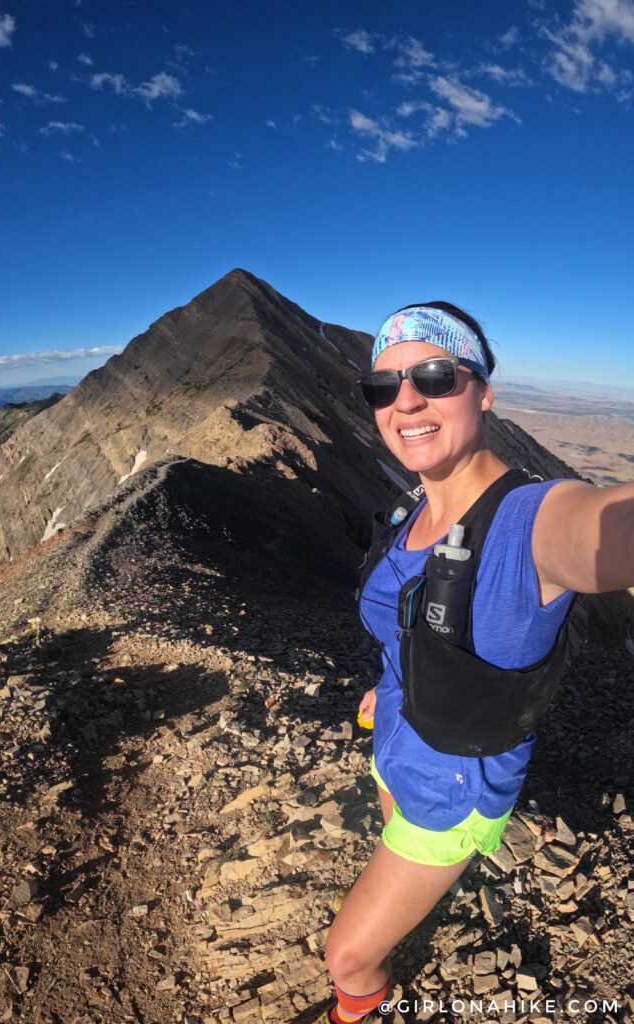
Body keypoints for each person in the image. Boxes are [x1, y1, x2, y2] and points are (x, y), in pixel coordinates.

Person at [313, 302, 634, 1024]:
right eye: (383, 386)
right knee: (393, 822)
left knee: (347, 956)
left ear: (484, 390)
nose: (406, 400)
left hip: (454, 784)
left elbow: (602, 528)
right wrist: (389, 683)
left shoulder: (529, 522)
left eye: (435, 375)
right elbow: (407, 625)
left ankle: (362, 1002)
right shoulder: (410, 512)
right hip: (398, 742)